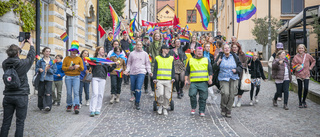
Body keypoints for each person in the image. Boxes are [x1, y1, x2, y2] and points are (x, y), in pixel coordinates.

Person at [1, 38, 35, 137]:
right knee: (20, 122)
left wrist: (18, 48)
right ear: (18, 54)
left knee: (6, 122)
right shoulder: (22, 64)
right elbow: (31, 56)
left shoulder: (5, 63)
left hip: (8, 96)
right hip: (21, 95)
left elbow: (11, 57)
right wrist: (31, 44)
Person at [213, 44, 242, 118]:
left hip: (233, 77)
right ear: (223, 49)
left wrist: (236, 70)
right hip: (223, 78)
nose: (227, 49)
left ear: (230, 49)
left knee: (232, 95)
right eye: (225, 48)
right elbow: (214, 67)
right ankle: (223, 107)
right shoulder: (220, 56)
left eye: (228, 48)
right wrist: (218, 62)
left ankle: (228, 109)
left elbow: (240, 66)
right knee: (225, 93)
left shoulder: (234, 56)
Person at [185, 47, 213, 117]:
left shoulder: (206, 60)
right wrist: (186, 80)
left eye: (201, 51)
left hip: (203, 82)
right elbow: (187, 71)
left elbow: (210, 71)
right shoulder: (191, 60)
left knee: (203, 97)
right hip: (194, 82)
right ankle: (193, 107)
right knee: (192, 94)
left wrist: (210, 79)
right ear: (195, 52)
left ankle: (201, 111)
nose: (199, 53)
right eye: (198, 51)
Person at [124, 41, 152, 110]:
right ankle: (136, 97)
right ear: (135, 45)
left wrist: (149, 72)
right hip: (133, 73)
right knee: (133, 89)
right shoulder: (132, 54)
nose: (139, 46)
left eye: (140, 45)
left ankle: (137, 102)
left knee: (138, 88)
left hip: (141, 72)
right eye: (137, 45)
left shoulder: (145, 54)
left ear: (142, 45)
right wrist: (127, 70)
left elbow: (147, 64)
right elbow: (129, 63)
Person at [89, 47, 117, 117]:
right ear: (98, 51)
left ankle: (98, 109)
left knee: (100, 94)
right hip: (95, 77)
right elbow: (90, 67)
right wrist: (88, 64)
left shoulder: (105, 61)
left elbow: (109, 69)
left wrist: (114, 64)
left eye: (103, 50)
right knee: (95, 93)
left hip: (103, 78)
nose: (103, 51)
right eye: (101, 50)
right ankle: (92, 109)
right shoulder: (94, 60)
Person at [62, 40, 84, 114]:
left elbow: (82, 69)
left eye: (75, 51)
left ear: (77, 52)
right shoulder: (66, 58)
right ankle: (69, 104)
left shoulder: (79, 59)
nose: (73, 53)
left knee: (76, 92)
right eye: (72, 51)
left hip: (76, 77)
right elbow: (63, 68)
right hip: (68, 76)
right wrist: (69, 68)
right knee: (68, 92)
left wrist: (78, 66)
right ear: (70, 51)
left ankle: (76, 105)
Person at [153, 45, 175, 115]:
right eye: (166, 49)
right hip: (159, 79)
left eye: (168, 49)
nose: (168, 50)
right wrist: (154, 78)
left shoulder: (171, 58)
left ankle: (165, 108)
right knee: (160, 94)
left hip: (168, 80)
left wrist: (173, 77)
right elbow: (155, 68)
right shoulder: (157, 58)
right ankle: (160, 106)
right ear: (163, 50)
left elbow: (173, 69)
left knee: (167, 95)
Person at [36, 47, 57, 112]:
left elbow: (54, 71)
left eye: (49, 51)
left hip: (49, 79)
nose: (48, 53)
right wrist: (39, 69)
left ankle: (48, 106)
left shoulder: (52, 61)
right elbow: (36, 69)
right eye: (46, 51)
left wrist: (49, 69)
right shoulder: (40, 61)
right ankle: (41, 106)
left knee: (48, 93)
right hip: (41, 78)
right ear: (43, 52)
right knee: (41, 93)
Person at [148, 32, 162, 97]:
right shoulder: (151, 44)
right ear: (154, 37)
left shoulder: (161, 45)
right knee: (152, 77)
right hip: (153, 62)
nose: (157, 37)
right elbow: (149, 52)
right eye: (155, 36)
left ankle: (158, 90)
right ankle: (153, 90)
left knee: (159, 77)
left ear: (160, 37)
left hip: (160, 63)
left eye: (158, 36)